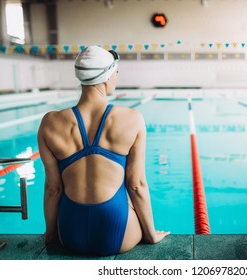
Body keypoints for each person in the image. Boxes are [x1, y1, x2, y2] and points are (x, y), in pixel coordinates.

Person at [37, 45, 169, 256]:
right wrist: (151, 234)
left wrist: (51, 235)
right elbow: (136, 185)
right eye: (116, 73)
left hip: (70, 234)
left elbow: (53, 189)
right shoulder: (131, 119)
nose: (116, 78)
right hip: (118, 234)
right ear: (107, 76)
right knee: (125, 197)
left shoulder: (50, 123)